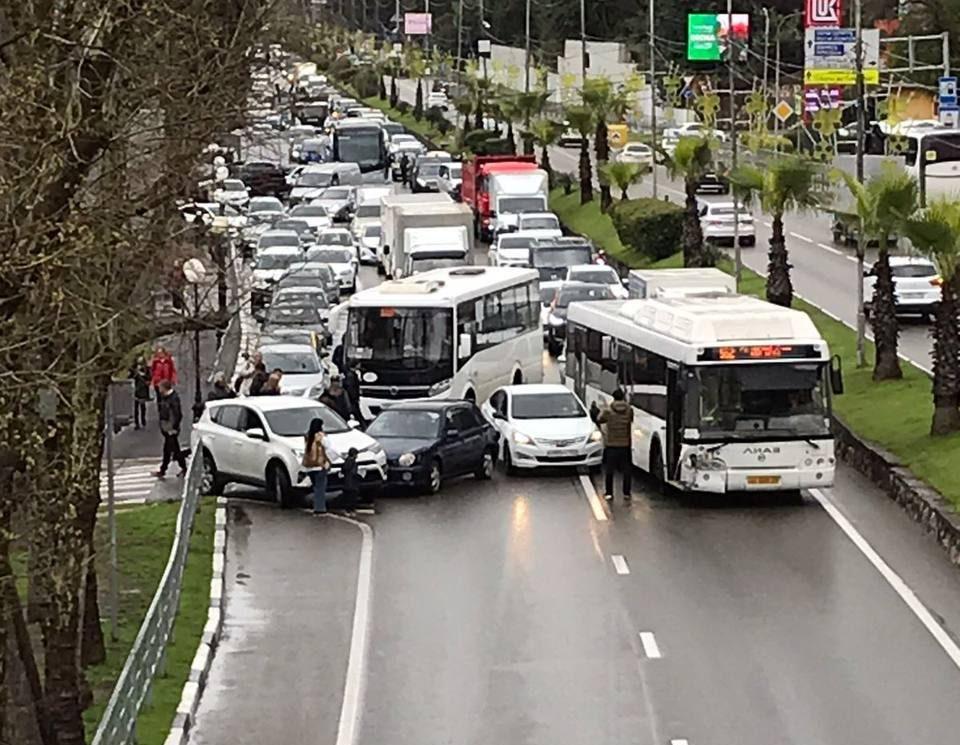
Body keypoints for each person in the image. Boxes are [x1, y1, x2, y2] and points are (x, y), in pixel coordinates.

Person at [595, 389, 634, 503]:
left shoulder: (608, 411)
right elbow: (630, 421)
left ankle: (609, 493)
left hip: (611, 444)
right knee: (627, 470)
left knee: (610, 470)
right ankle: (626, 493)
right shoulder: (629, 410)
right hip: (625, 444)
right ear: (623, 397)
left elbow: (599, 419)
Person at [302, 418, 340, 515]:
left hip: (309, 466)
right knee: (320, 489)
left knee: (316, 488)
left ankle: (317, 507)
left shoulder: (308, 436)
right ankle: (320, 509)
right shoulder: (321, 436)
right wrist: (330, 460)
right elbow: (329, 449)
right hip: (320, 465)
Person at [154, 381, 187, 478]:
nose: (159, 390)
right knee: (171, 450)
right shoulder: (167, 398)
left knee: (171, 450)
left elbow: (177, 414)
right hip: (168, 428)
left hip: (171, 429)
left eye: (160, 388)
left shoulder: (173, 399)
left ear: (164, 388)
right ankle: (164, 469)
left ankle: (167, 469)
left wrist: (174, 427)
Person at [150, 346, 177, 414]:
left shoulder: (168, 361)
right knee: (159, 397)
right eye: (158, 353)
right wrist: (153, 380)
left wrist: (173, 379)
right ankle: (161, 412)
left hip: (166, 381)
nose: (160, 354)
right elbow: (152, 371)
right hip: (158, 382)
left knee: (167, 396)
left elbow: (172, 370)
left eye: (161, 352)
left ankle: (166, 411)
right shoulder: (156, 362)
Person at [129, 355, 151, 430]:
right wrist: (135, 372)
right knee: (136, 407)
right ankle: (137, 423)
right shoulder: (134, 369)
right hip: (137, 389)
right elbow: (130, 376)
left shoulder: (146, 369)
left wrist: (143, 375)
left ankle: (143, 420)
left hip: (143, 389)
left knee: (142, 406)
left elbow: (149, 377)